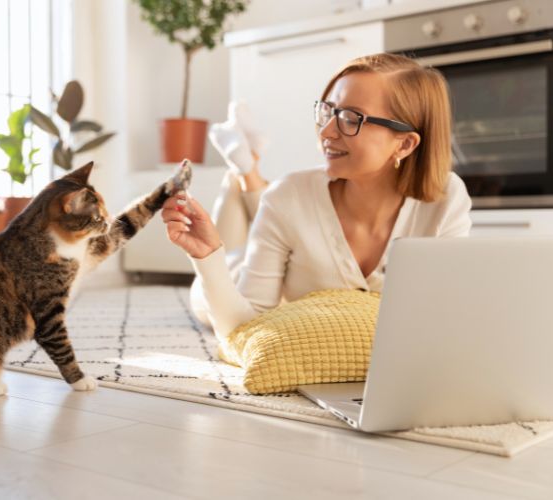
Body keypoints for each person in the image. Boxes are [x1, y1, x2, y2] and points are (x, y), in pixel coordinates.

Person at [160, 53, 472, 339]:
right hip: (234, 276)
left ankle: (245, 165)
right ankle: (241, 170)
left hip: (281, 227)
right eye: (328, 112)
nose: (325, 132)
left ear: (404, 145)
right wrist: (207, 256)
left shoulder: (445, 200)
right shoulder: (288, 194)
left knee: (275, 204)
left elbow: (443, 320)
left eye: (352, 118)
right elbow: (245, 329)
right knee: (219, 274)